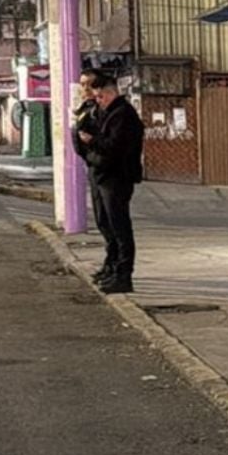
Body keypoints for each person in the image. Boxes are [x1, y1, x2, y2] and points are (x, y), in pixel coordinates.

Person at [74, 72, 145, 294]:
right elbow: (84, 140)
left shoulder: (122, 115)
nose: (98, 100)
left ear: (110, 93)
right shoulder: (101, 112)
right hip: (101, 173)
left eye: (100, 96)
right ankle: (112, 267)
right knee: (105, 223)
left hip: (117, 176)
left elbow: (113, 147)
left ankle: (123, 274)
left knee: (119, 226)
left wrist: (93, 142)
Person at [72, 69, 109, 281]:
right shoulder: (85, 108)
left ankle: (117, 268)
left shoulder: (101, 109)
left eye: (88, 84)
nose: (84, 89)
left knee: (112, 222)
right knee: (102, 219)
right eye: (82, 84)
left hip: (106, 169)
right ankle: (109, 265)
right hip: (93, 166)